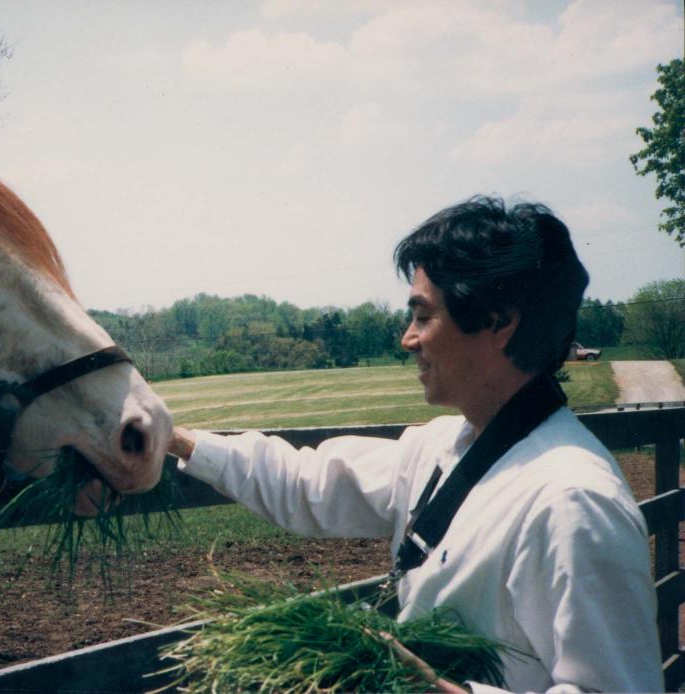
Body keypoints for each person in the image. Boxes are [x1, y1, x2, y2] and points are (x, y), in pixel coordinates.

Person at [168, 196, 663, 692]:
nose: (408, 339)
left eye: (423, 316)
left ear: (498, 322)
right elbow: (309, 483)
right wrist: (179, 441)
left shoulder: (574, 500)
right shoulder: (443, 446)